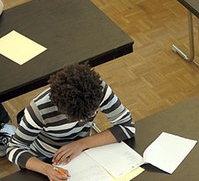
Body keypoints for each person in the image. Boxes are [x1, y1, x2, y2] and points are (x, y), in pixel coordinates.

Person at [7, 64, 135, 181]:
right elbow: (14, 148)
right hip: (45, 160)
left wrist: (81, 144)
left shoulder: (98, 90)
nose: (79, 122)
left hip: (82, 154)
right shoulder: (38, 110)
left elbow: (127, 126)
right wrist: (46, 169)